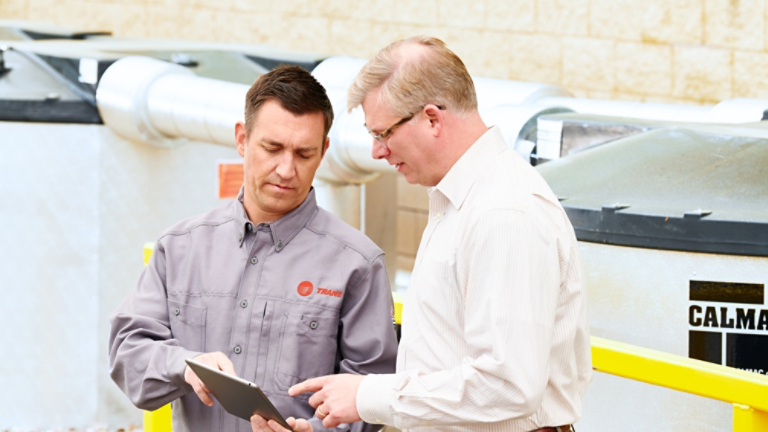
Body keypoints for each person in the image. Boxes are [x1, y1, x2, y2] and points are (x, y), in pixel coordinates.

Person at [282, 36, 592, 432]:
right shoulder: (461, 201)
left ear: (431, 118)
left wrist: (368, 396)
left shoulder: (503, 213)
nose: (377, 152)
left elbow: (508, 384)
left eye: (383, 134)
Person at [108, 65, 399, 432]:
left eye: (303, 154)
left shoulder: (358, 264)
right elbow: (128, 351)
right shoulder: (180, 248)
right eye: (272, 148)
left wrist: (319, 431)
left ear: (323, 152)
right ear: (242, 139)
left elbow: (373, 391)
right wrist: (186, 364)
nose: (286, 169)